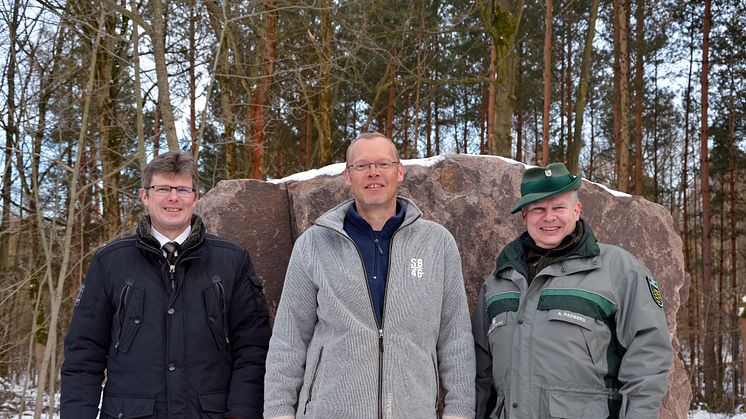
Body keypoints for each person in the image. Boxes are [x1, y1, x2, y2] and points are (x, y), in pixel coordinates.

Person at [263, 133, 475, 419]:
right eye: (361, 166)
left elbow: (455, 339)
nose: (373, 172)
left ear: (399, 171)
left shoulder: (438, 244)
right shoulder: (314, 244)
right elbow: (289, 340)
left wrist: (459, 412)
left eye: (383, 164)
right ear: (347, 176)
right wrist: (278, 413)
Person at [61, 151, 270, 418]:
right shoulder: (110, 262)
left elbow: (252, 350)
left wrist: (241, 414)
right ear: (144, 196)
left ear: (196, 197)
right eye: (163, 189)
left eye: (183, 189)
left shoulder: (232, 260)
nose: (173, 198)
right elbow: (83, 356)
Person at [473, 162, 673, 419]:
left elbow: (648, 358)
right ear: (524, 216)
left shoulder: (618, 270)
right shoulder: (498, 282)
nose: (549, 217)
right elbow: (480, 374)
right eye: (538, 209)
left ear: (577, 210)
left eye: (558, 207)